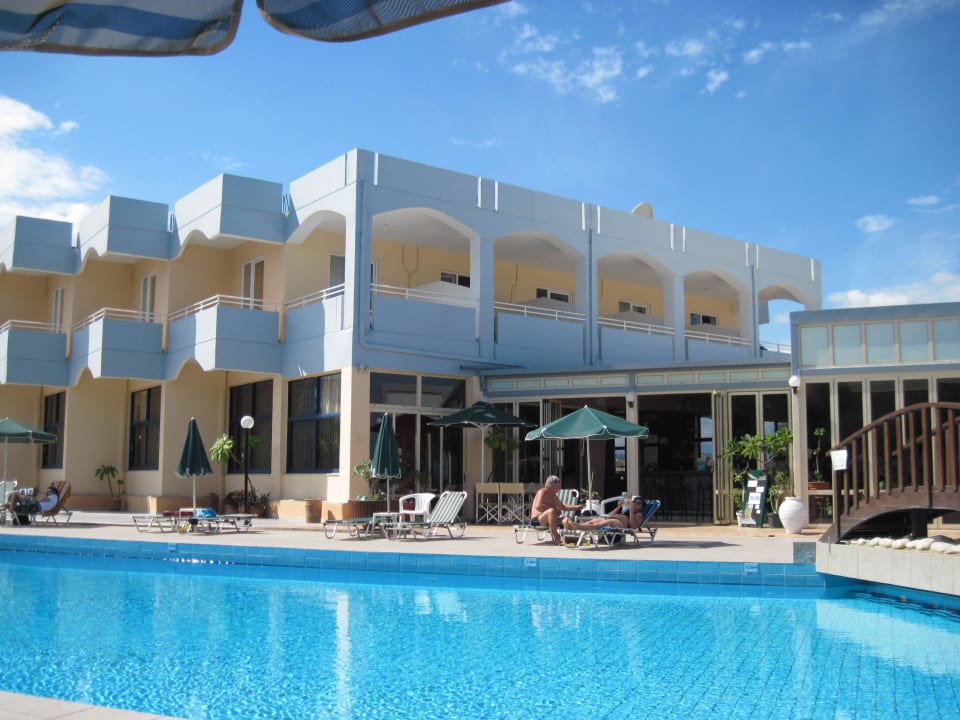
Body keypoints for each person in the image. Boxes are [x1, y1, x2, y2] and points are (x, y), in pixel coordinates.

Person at [530, 475, 585, 545]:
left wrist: (576, 507)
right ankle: (557, 538)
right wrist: (555, 511)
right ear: (552, 485)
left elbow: (562, 506)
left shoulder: (553, 495)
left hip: (549, 520)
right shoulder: (543, 491)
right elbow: (538, 506)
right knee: (551, 511)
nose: (559, 488)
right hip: (537, 520)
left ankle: (568, 538)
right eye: (558, 486)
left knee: (567, 519)